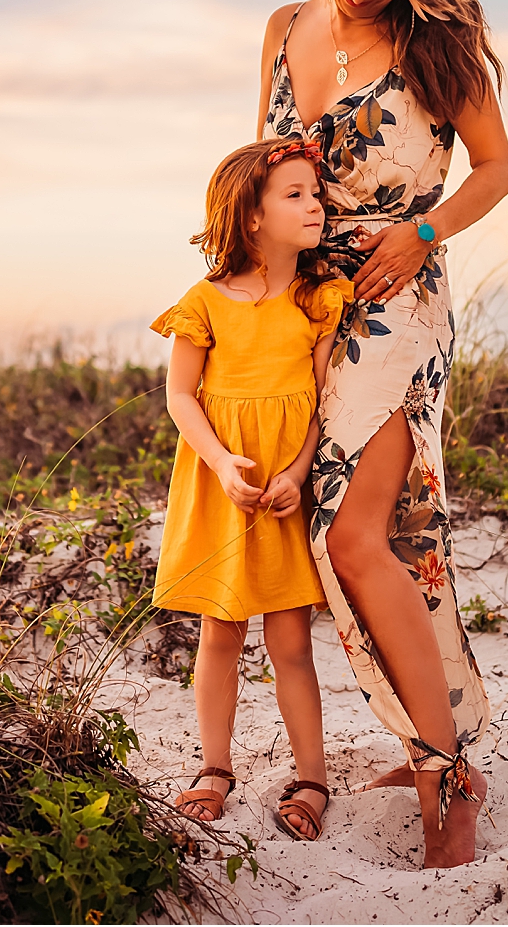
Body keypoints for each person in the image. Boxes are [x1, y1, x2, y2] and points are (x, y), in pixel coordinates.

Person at [256, 0, 508, 868]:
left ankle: (446, 781)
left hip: (394, 303)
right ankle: (432, 742)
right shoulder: (283, 28)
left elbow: (497, 167)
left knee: (352, 535)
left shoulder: (437, 47)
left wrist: (425, 231)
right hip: (299, 310)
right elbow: (259, 165)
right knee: (367, 542)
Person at [150, 138, 355, 842]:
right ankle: (215, 767)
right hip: (223, 482)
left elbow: (323, 401)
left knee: (291, 638)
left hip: (285, 485)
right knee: (220, 630)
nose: (314, 206)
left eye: (316, 194)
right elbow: (180, 395)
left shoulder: (319, 298)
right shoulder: (204, 301)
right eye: (294, 194)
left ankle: (313, 777)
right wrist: (220, 462)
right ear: (251, 216)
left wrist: (298, 473)